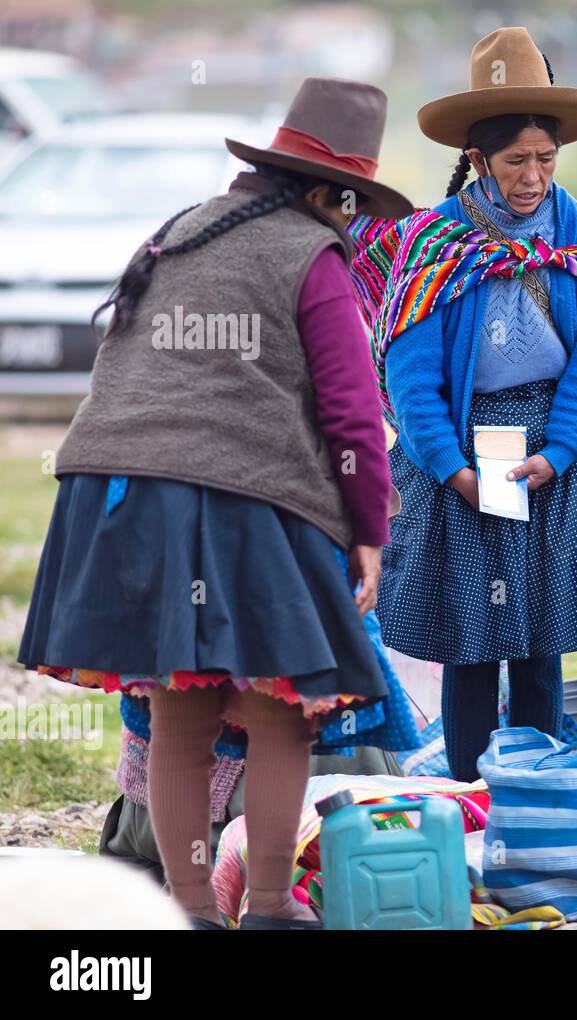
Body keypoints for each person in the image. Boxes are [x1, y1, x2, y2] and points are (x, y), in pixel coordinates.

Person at [19, 78, 415, 929]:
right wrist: (369, 532)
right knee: (283, 718)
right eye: (351, 206)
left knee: (180, 721)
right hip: (244, 503)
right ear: (326, 193)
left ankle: (191, 911)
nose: (353, 225)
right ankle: (269, 907)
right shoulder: (312, 258)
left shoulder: (176, 233)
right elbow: (351, 411)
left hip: (119, 497)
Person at [348, 28, 577, 782]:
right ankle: (470, 792)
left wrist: (558, 453)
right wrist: (451, 467)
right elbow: (409, 370)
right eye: (515, 162)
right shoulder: (437, 239)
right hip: (469, 447)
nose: (533, 178)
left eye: (545, 160)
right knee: (474, 637)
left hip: (562, 445)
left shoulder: (575, 225)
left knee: (544, 633)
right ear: (476, 161)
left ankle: (533, 793)